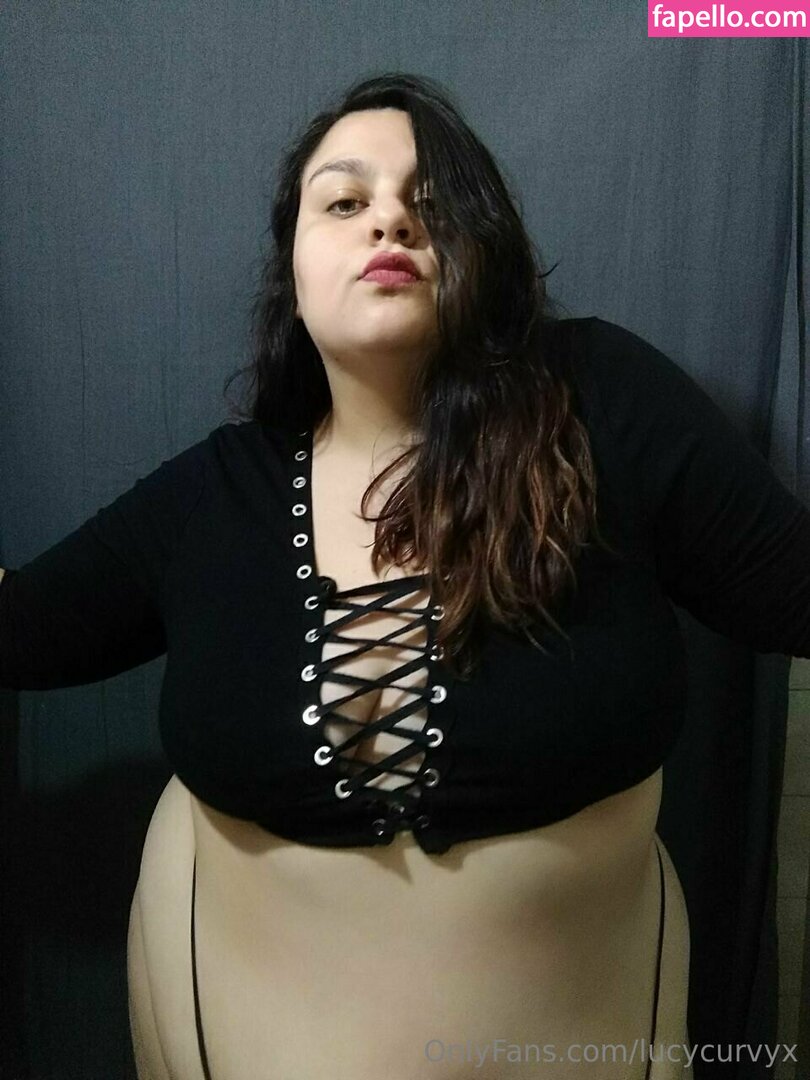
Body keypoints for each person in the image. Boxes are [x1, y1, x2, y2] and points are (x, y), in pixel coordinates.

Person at [1, 71, 808, 1080]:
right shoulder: (215, 494)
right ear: (292, 273)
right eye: (344, 202)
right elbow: (21, 627)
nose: (390, 219)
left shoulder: (603, 407)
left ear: (485, 251)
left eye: (433, 203)